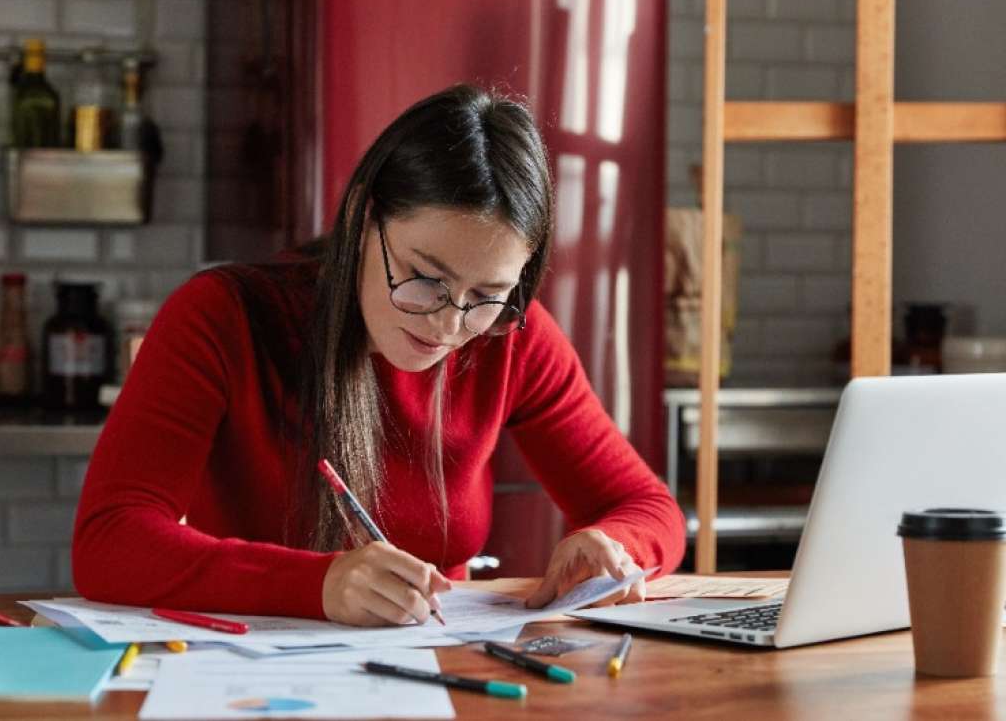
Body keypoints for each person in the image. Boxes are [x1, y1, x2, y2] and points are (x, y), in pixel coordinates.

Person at [72, 84, 685, 627]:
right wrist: (318, 584)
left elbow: (650, 509)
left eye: (488, 295)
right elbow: (109, 540)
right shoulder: (220, 316)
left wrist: (611, 543)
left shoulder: (509, 337)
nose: (449, 322)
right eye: (425, 277)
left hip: (446, 668)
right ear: (366, 217)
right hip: (242, 680)